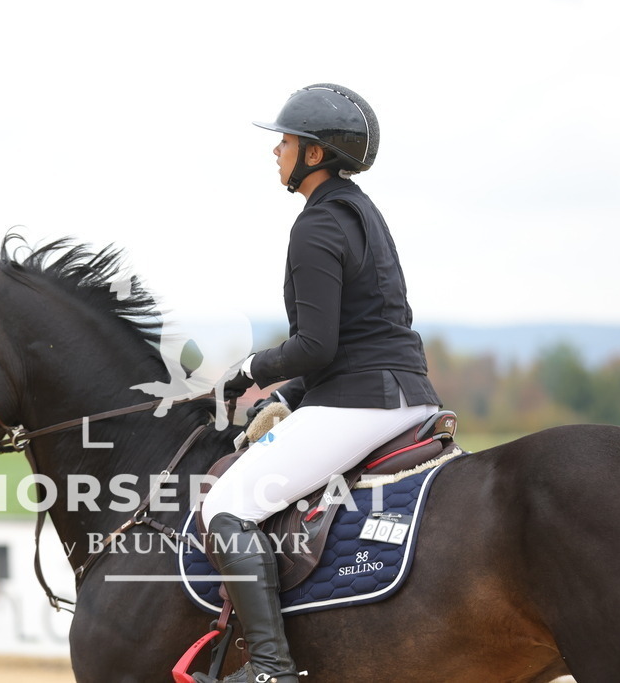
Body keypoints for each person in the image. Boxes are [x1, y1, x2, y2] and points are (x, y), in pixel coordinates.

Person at [194, 84, 442, 683]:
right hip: (409, 394)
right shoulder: (364, 215)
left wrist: (248, 374)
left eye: (286, 142)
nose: (275, 151)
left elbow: (316, 346)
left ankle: (272, 670)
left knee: (226, 505)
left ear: (314, 154)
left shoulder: (315, 226)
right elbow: (358, 333)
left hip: (362, 402)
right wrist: (286, 398)